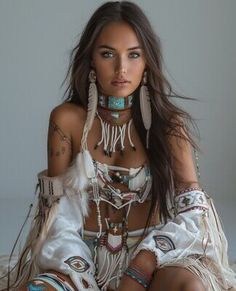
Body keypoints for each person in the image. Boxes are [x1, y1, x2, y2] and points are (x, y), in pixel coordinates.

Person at [1, 1, 236, 290]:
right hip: (78, 260)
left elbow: (194, 215)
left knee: (192, 287)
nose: (121, 68)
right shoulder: (66, 121)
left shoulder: (170, 126)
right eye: (107, 54)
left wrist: (142, 264)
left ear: (147, 61)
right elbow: (56, 219)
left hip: (157, 261)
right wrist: (81, 276)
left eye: (134, 55)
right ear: (90, 60)